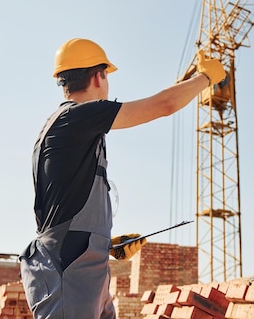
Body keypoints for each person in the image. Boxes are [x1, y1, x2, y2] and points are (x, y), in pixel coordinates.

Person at [19, 38, 225, 319]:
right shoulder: (76, 117)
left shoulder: (73, 129)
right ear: (98, 75)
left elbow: (64, 207)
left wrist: (104, 245)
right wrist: (207, 77)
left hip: (83, 268)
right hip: (69, 271)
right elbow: (164, 104)